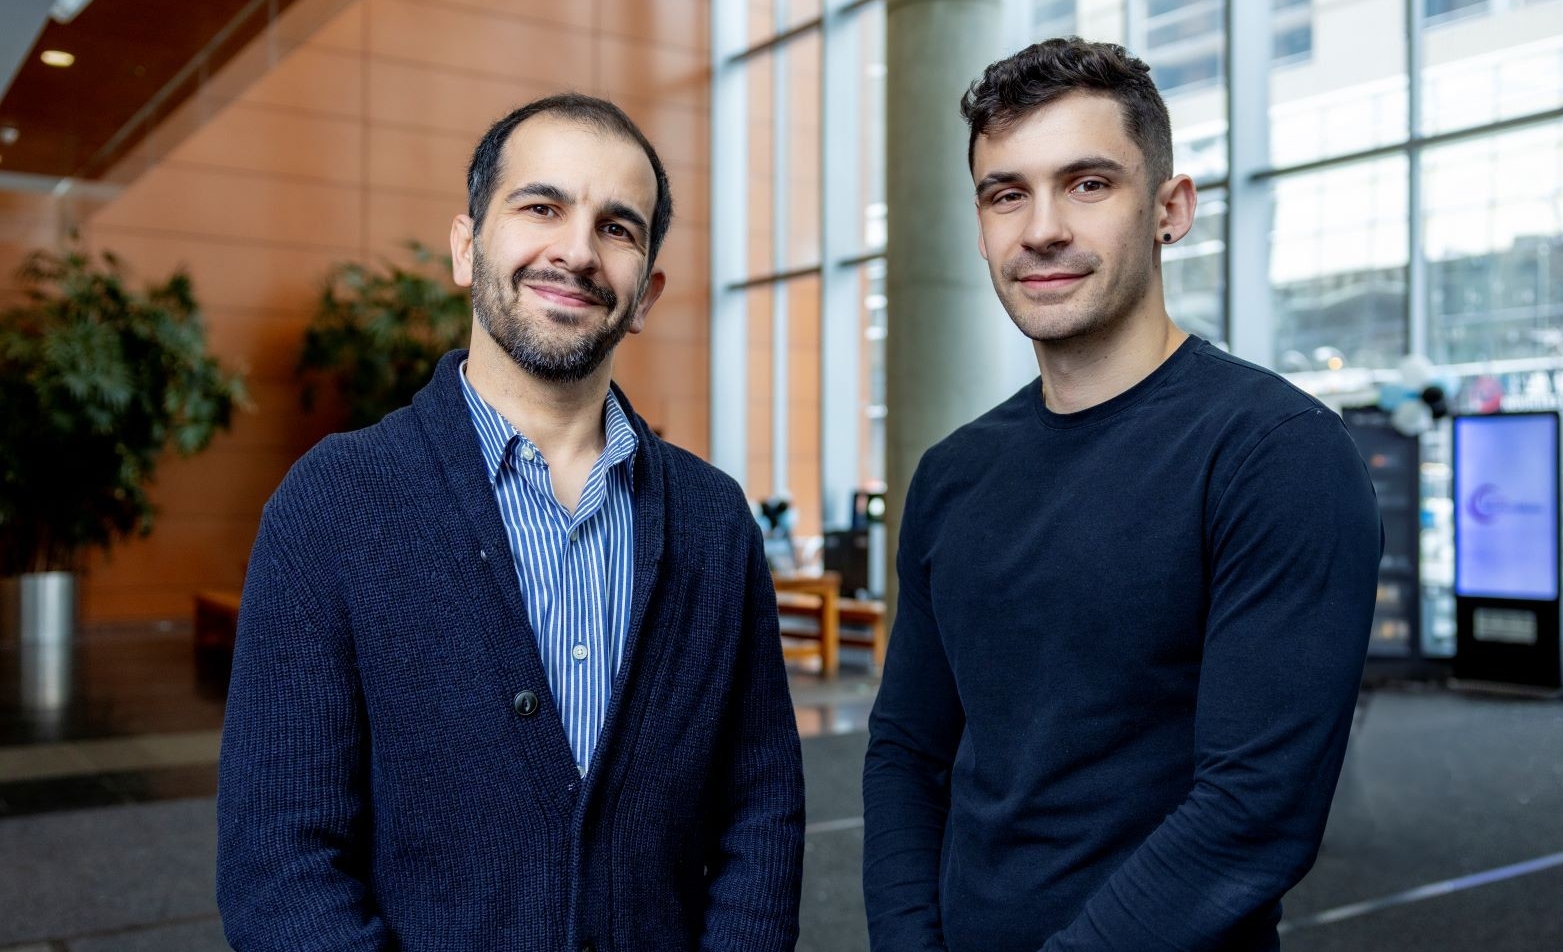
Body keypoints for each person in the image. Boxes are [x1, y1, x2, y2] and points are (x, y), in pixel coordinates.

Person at [217, 93, 805, 952]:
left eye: (617, 228)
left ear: (646, 292)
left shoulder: (713, 521)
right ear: (467, 247)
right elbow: (279, 865)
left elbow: (760, 817)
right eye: (541, 207)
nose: (575, 250)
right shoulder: (333, 503)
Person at [862, 38, 1382, 952]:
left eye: (1088, 184)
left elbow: (1252, 814)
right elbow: (908, 751)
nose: (1042, 229)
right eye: (1006, 193)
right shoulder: (953, 474)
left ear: (1169, 209)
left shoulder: (1275, 456)